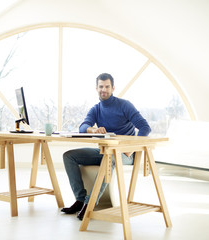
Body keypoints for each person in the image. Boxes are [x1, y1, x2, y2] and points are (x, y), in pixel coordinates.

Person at [61, 73, 151, 220]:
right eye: (101, 86)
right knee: (69, 156)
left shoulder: (124, 105)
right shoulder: (96, 109)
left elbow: (145, 128)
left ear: (113, 88)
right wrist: (93, 130)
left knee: (110, 158)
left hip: (126, 154)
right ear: (96, 88)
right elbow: (83, 127)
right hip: (106, 151)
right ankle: (80, 199)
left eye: (107, 86)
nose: (104, 89)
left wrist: (131, 148)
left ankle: (90, 204)